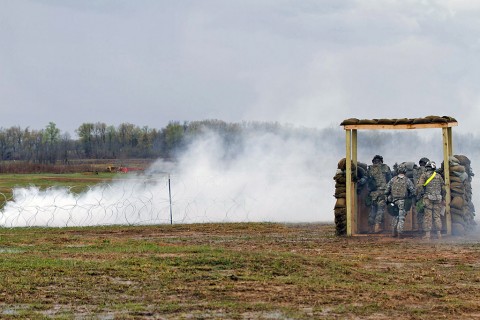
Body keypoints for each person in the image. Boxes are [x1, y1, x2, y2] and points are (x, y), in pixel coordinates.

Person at [416, 161, 445, 239]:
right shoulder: (439, 176)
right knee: (437, 216)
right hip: (438, 199)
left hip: (428, 198)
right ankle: (439, 234)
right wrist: (443, 198)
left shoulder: (424, 175)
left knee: (428, 216)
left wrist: (420, 195)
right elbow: (443, 188)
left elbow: (419, 187)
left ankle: (427, 235)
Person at [385, 163, 416, 237]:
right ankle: (399, 233)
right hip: (403, 201)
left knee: (395, 216)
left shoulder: (392, 180)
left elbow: (386, 191)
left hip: (394, 201)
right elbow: (413, 191)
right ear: (405, 171)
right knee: (401, 218)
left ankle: (393, 233)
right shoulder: (407, 180)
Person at [366, 155, 392, 233]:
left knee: (373, 209)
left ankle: (370, 228)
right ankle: (377, 227)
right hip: (382, 192)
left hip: (373, 193)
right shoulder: (385, 167)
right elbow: (390, 180)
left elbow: (367, 180)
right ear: (381, 160)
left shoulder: (370, 169)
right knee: (380, 210)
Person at [413, 157, 430, 233]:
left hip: (418, 194)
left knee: (419, 211)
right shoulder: (427, 171)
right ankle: (426, 228)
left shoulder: (415, 171)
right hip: (426, 194)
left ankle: (420, 228)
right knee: (427, 212)